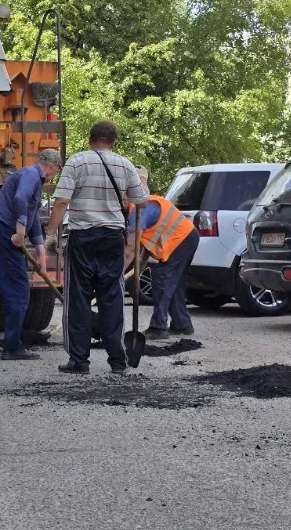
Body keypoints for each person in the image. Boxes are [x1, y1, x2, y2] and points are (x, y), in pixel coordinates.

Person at [45, 121, 149, 374]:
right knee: (112, 298)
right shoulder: (124, 164)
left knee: (78, 300)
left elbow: (61, 202)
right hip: (113, 238)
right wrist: (138, 181)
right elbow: (142, 200)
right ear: (113, 142)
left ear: (90, 139)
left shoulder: (77, 162)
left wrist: (50, 234)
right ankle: (118, 361)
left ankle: (79, 361)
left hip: (83, 238)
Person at [0, 149, 63, 360]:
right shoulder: (31, 175)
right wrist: (19, 231)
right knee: (19, 290)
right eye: (57, 171)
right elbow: (20, 199)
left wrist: (41, 255)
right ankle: (12, 347)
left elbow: (32, 219)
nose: (54, 175)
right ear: (52, 166)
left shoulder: (30, 178)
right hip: (4, 234)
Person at [124, 167, 199, 340]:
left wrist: (118, 275)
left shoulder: (139, 210)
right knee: (175, 282)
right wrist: (141, 263)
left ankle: (158, 327)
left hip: (183, 240)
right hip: (187, 237)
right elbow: (148, 241)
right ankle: (182, 324)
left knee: (162, 278)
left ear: (125, 196)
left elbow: (130, 248)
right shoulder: (143, 206)